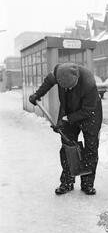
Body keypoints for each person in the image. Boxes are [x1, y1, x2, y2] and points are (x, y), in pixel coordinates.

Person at [29, 63, 103, 195]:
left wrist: (66, 119)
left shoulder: (88, 82)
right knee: (67, 146)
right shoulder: (59, 73)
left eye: (70, 87)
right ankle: (67, 182)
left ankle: (87, 184)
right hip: (69, 108)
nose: (67, 89)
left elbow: (88, 110)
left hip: (90, 114)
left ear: (76, 80)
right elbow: (48, 82)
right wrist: (37, 94)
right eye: (64, 87)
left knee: (91, 148)